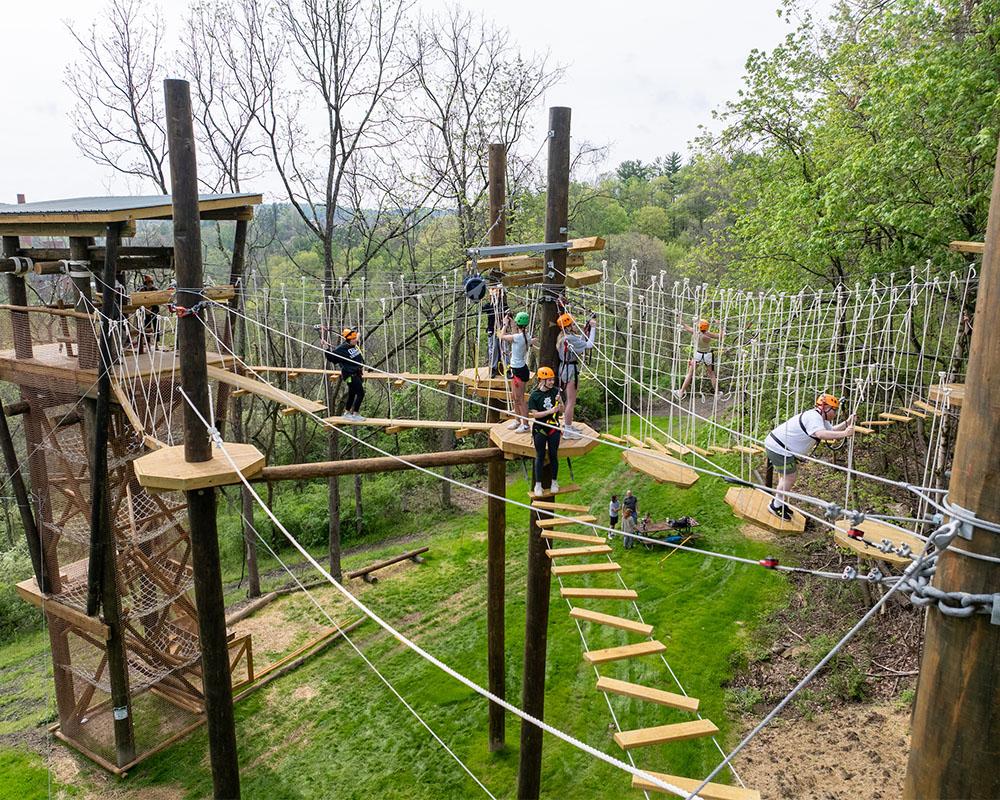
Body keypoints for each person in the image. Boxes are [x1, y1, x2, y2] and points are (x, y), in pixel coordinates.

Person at [764, 393, 856, 520]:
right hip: (779, 448)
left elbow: (832, 430)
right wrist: (845, 433)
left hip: (781, 447)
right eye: (833, 410)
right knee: (789, 477)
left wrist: (847, 423)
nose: (835, 413)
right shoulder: (813, 417)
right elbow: (821, 434)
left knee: (787, 477)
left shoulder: (819, 417)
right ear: (824, 408)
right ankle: (776, 506)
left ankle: (779, 503)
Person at [556, 312, 598, 439]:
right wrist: (593, 328)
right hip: (570, 371)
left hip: (565, 369)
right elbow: (589, 345)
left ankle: (568, 425)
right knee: (571, 402)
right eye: (573, 324)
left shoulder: (564, 337)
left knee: (569, 401)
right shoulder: (569, 338)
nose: (575, 326)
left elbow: (580, 341)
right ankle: (568, 430)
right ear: (568, 327)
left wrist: (586, 329)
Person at [498, 311, 537, 433]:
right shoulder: (525, 335)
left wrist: (505, 324)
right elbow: (517, 333)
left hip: (519, 370)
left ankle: (525, 425)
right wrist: (512, 324)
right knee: (514, 397)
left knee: (520, 399)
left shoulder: (518, 337)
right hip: (516, 369)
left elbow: (501, 336)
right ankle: (517, 420)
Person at [528, 366, 561, 496]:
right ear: (542, 380)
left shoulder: (556, 392)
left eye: (553, 379)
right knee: (540, 456)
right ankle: (538, 484)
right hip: (540, 428)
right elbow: (535, 415)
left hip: (553, 428)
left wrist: (560, 402)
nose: (552, 382)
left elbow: (563, 409)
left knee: (553, 455)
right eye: (549, 380)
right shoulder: (534, 396)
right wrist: (550, 411)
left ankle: (554, 482)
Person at [673, 318, 723, 398]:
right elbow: (721, 336)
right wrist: (719, 325)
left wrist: (679, 318)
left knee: (690, 374)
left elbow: (685, 326)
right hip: (707, 355)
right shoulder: (708, 335)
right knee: (712, 375)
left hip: (698, 355)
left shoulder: (695, 332)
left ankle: (681, 391)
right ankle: (717, 393)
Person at [325, 328, 366, 420]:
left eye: (355, 339)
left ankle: (347, 412)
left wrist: (357, 331)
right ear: (349, 340)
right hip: (350, 375)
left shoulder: (352, 344)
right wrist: (326, 348)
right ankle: (355, 414)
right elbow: (331, 358)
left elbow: (357, 337)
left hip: (356, 372)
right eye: (353, 339)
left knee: (352, 393)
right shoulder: (341, 349)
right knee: (361, 393)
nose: (356, 340)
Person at [138, 274, 160, 353]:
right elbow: (139, 300)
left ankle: (156, 343)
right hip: (145, 309)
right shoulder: (142, 290)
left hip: (154, 309)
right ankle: (148, 344)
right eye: (148, 283)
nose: (149, 284)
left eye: (150, 282)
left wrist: (152, 308)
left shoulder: (155, 289)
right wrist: (146, 308)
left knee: (156, 325)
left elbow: (158, 300)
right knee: (147, 326)